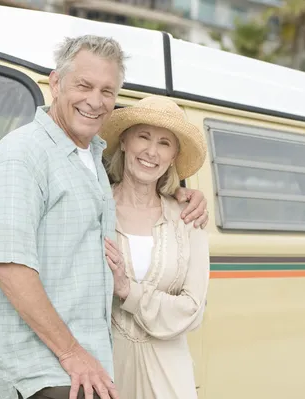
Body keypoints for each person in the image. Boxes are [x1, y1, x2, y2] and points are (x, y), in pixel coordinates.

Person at [0, 35, 209, 399]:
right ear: (56, 83)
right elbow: (9, 266)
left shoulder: (90, 162)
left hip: (82, 370)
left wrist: (180, 194)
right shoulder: (19, 157)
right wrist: (72, 353)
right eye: (84, 85)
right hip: (41, 372)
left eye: (107, 91)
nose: (95, 101)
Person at [101, 95, 211, 399]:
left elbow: (193, 309)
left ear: (173, 156)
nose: (151, 151)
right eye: (143, 137)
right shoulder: (93, 206)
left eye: (164, 143)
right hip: (105, 371)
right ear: (124, 141)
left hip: (170, 378)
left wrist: (128, 290)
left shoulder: (189, 219)